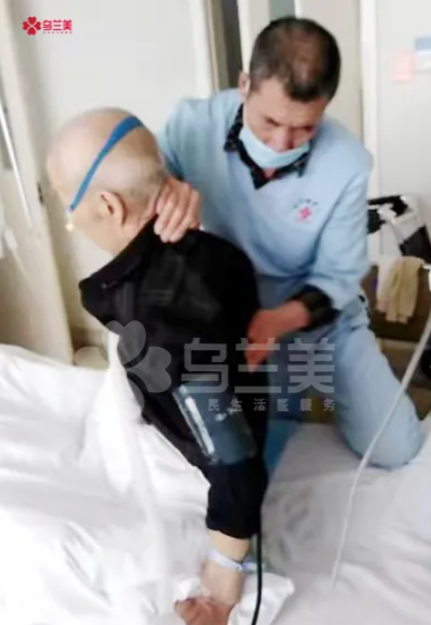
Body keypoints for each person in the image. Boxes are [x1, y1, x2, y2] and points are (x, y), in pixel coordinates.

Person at [154, 16, 424, 473]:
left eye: (304, 128)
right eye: (270, 121)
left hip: (316, 317)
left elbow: (336, 279)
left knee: (395, 448)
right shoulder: (189, 126)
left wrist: (277, 323)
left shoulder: (347, 163)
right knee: (258, 439)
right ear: (244, 85)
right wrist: (164, 189)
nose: (281, 143)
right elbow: (145, 187)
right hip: (233, 312)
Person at [46, 108, 270, 625]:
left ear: (108, 205)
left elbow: (235, 463)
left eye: (67, 206)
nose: (71, 221)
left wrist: (222, 580)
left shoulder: (163, 322)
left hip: (187, 471)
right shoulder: (217, 254)